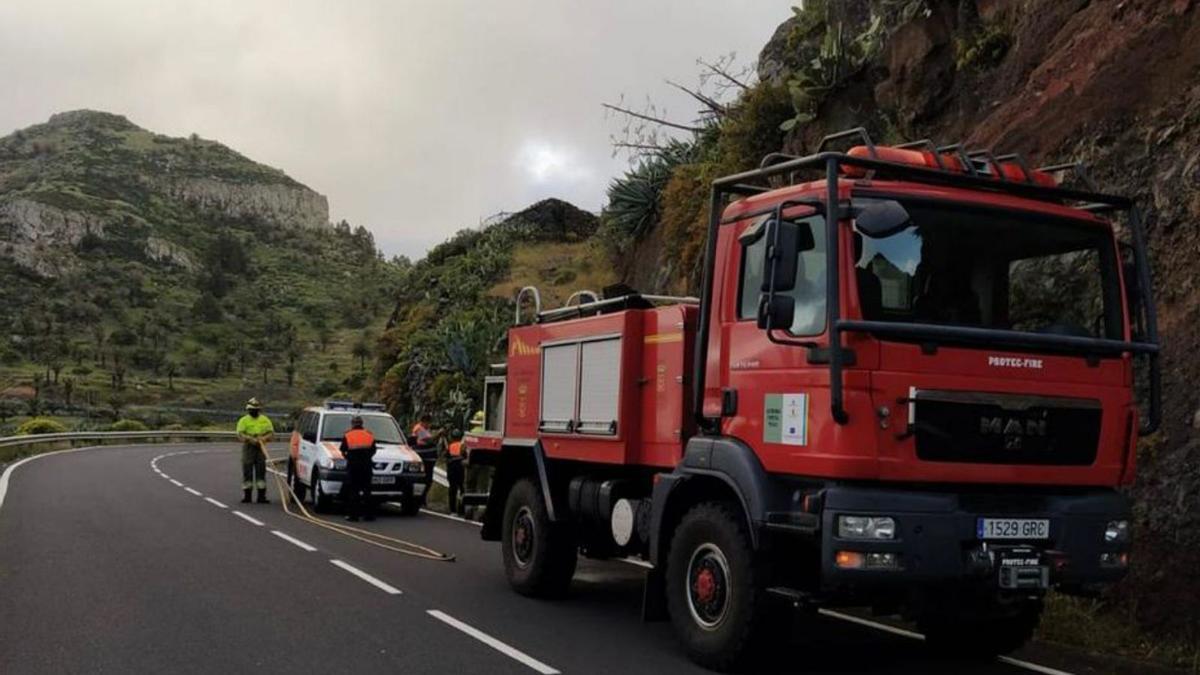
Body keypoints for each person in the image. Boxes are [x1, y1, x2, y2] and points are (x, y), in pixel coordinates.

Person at [235, 397, 274, 504]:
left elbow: (271, 432)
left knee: (261, 471)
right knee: (247, 470)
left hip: (261, 447)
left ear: (259, 410)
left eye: (255, 409)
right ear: (248, 410)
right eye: (251, 409)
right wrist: (249, 438)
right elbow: (240, 433)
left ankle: (261, 496)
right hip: (249, 447)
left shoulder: (265, 420)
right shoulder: (243, 420)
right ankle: (247, 495)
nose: (253, 411)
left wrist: (264, 438)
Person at [340, 415, 378, 522]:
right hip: (366, 466)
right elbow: (374, 450)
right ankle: (369, 515)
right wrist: (367, 457)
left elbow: (343, 450)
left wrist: (349, 458)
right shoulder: (369, 435)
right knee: (367, 491)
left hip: (353, 466)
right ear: (362, 424)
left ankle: (353, 516)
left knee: (353, 491)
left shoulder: (348, 435)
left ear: (352, 424)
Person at [445, 429, 465, 516]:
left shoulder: (450, 446)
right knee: (462, 489)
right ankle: (462, 509)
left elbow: (446, 457)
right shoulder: (463, 446)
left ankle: (453, 510)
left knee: (452, 490)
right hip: (461, 469)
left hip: (452, 470)